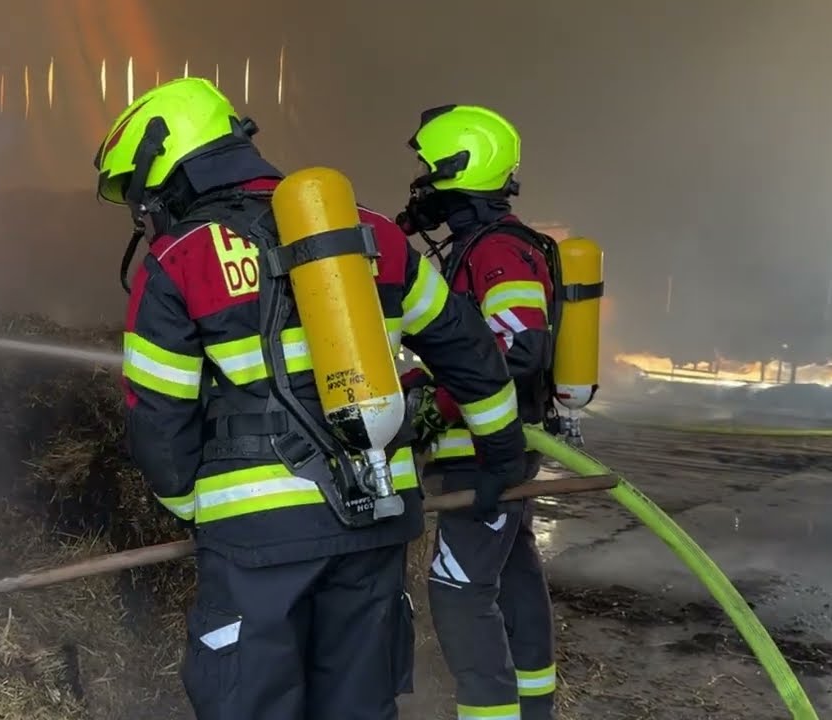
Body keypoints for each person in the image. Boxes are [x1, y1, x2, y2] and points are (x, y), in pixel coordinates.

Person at [94, 78, 526, 720]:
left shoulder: (180, 260)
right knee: (358, 702)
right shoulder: (371, 232)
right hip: (375, 519)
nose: (144, 212)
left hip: (255, 542)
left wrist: (192, 507)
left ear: (168, 170)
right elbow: (470, 352)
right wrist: (502, 455)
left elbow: (158, 417)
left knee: (253, 702)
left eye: (140, 194)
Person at [397, 104, 559, 720]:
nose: (422, 185)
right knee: (513, 582)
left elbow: (517, 343)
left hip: (486, 455)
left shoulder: (496, 250)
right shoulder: (482, 247)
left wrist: (431, 409)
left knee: (460, 593)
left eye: (429, 171)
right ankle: (533, 711)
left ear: (459, 168)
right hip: (493, 452)